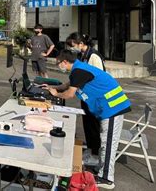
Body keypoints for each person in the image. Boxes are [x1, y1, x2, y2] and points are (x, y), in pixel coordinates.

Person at [44, 50, 131, 189]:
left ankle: (107, 179)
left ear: (65, 62)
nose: (58, 66)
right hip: (107, 108)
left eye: (58, 63)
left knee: (108, 143)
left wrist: (56, 93)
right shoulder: (79, 69)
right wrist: (54, 88)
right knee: (104, 141)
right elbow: (68, 84)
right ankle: (102, 170)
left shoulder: (79, 71)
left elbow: (70, 93)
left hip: (114, 108)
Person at [66, 33, 105, 166]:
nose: (72, 49)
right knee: (87, 125)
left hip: (95, 98)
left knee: (93, 125)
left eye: (73, 45)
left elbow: (98, 77)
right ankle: (90, 149)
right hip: (86, 96)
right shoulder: (83, 56)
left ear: (81, 44)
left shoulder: (94, 56)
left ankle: (95, 154)